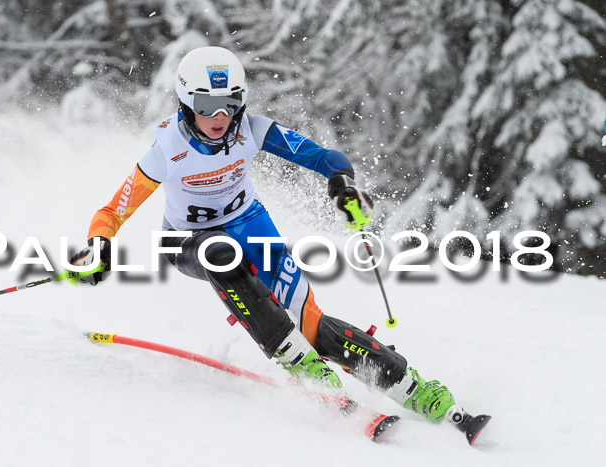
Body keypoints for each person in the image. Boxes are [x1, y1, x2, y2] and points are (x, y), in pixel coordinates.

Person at [71, 46, 489, 443]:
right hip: (185, 240)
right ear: (184, 103)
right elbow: (112, 211)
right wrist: (99, 247)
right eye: (205, 106)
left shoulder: (251, 131)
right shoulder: (167, 147)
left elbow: (324, 157)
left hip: (251, 225)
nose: (219, 116)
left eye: (230, 104)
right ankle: (305, 370)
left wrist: (342, 183)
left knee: (313, 326)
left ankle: (418, 390)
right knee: (221, 253)